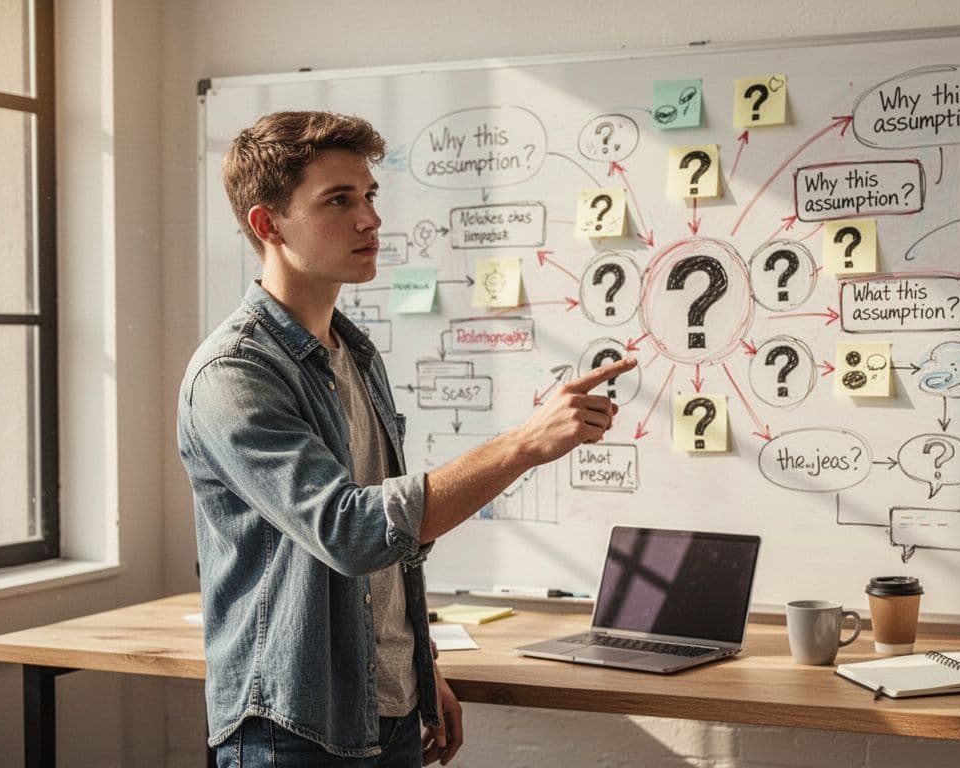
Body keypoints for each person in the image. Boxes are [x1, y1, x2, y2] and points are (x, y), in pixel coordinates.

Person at [177, 111, 636, 767]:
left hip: (386, 710)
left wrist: (422, 668)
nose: (369, 219)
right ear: (266, 224)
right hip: (292, 729)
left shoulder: (357, 354)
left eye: (369, 196)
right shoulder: (235, 374)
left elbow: (399, 543)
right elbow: (351, 530)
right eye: (339, 200)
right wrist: (523, 444)